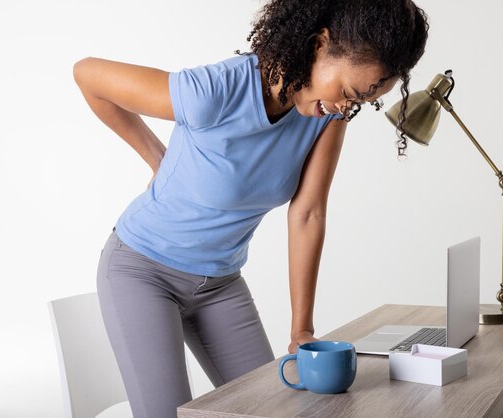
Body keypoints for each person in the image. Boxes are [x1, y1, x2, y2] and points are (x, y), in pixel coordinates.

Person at [73, 1, 428, 417]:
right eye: (349, 93)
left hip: (220, 284)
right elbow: (87, 74)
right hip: (142, 271)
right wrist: (156, 156)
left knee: (270, 410)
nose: (346, 107)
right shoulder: (214, 92)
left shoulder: (328, 116)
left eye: (362, 102)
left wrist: (302, 328)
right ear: (319, 44)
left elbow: (308, 213)